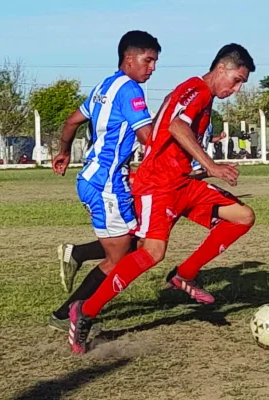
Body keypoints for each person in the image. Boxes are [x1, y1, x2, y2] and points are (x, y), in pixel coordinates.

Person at [67, 43, 257, 354]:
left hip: (182, 183)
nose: (236, 89)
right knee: (151, 253)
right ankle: (84, 311)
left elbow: (165, 130)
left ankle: (184, 275)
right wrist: (212, 166)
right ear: (221, 69)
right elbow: (176, 125)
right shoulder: (196, 89)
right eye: (236, 80)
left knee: (242, 216)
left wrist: (196, 169)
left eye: (241, 84)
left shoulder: (202, 97)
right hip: (158, 185)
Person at [48, 30, 160, 331]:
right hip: (107, 184)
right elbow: (149, 138)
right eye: (148, 60)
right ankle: (67, 315)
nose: (152, 68)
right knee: (121, 258)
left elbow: (72, 121)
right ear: (129, 58)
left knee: (134, 243)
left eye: (154, 62)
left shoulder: (105, 85)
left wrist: (64, 152)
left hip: (92, 178)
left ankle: (78, 253)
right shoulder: (131, 90)